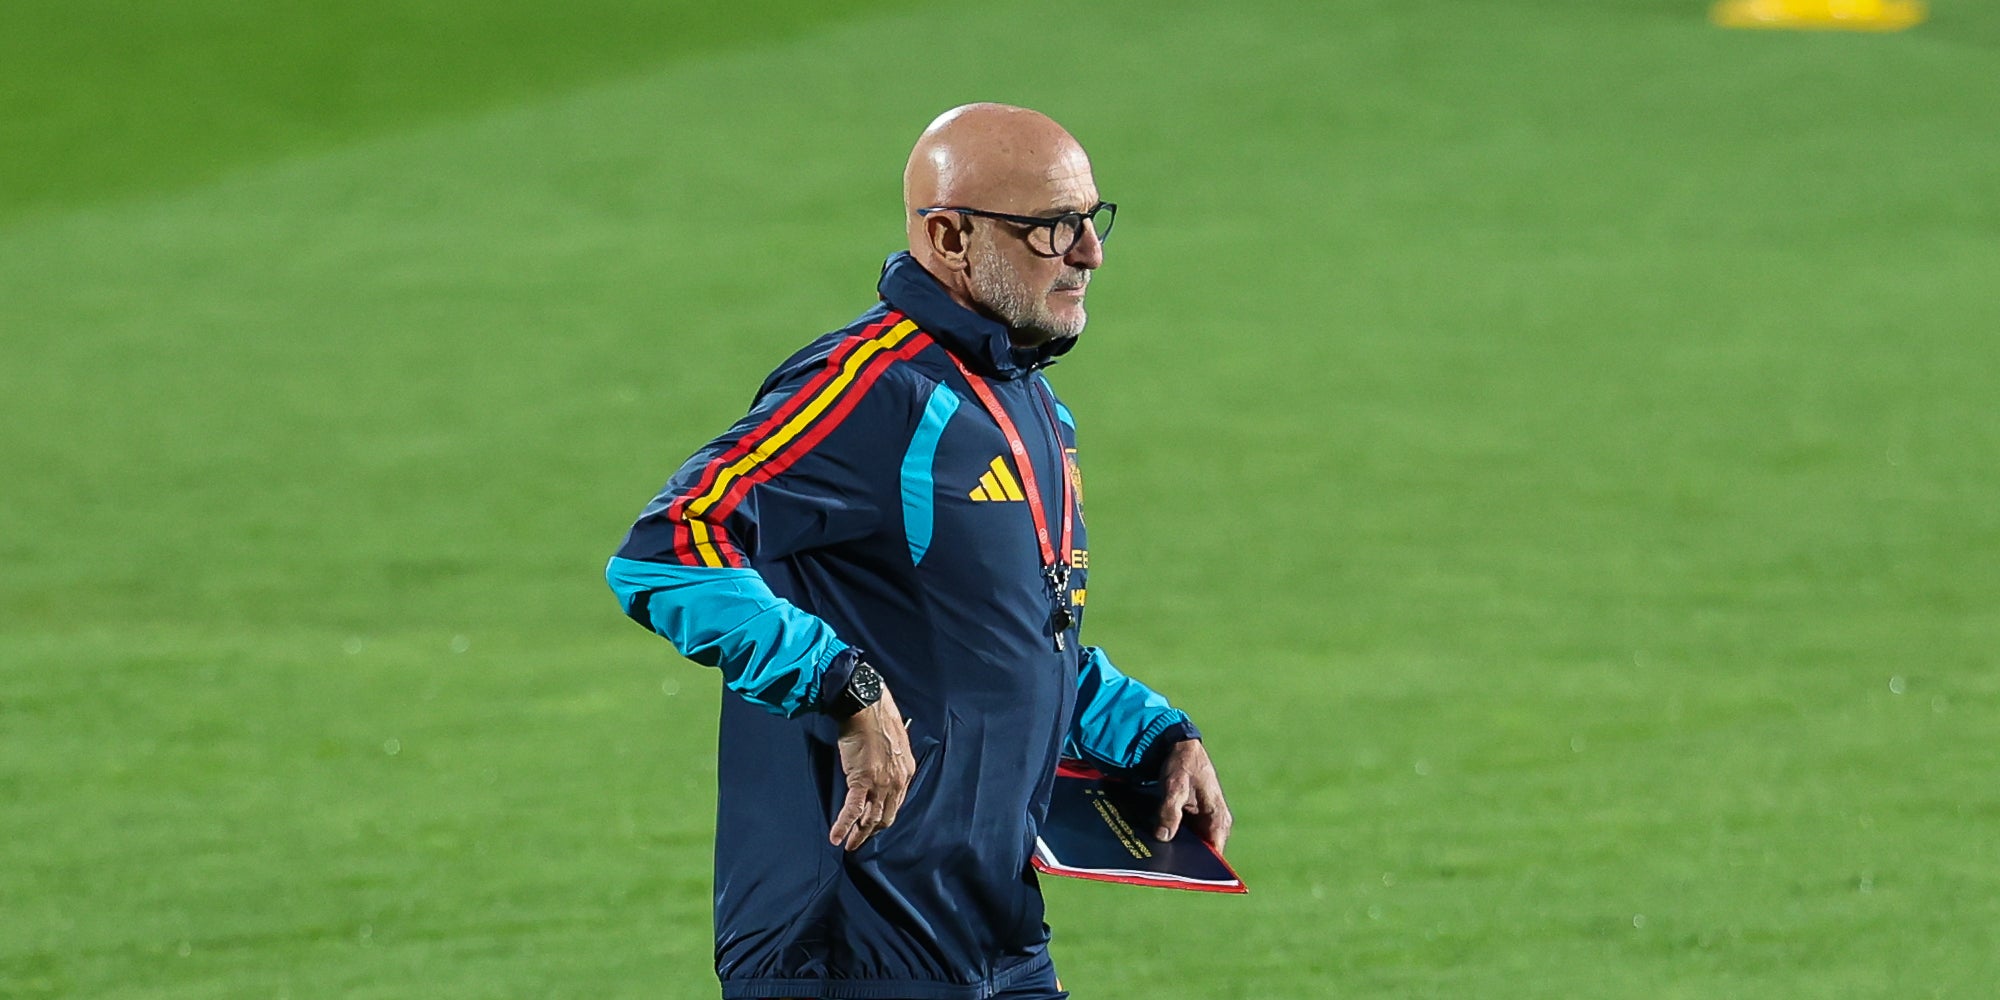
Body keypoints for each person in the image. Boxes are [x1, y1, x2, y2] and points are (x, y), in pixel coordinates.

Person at [605, 103, 1232, 1000]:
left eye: (1093, 218)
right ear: (949, 236)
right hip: (850, 940)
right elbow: (665, 548)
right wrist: (842, 685)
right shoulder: (869, 387)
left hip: (996, 930)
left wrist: (1152, 734)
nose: (1090, 252)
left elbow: (1001, 642)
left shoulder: (1031, 406)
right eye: (1054, 227)